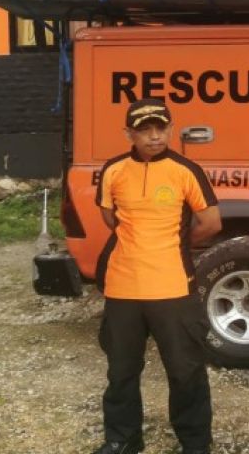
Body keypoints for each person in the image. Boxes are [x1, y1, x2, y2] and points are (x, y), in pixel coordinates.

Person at [92, 98, 223, 454]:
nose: (153, 136)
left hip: (172, 287)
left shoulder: (185, 170)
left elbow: (211, 222)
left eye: (160, 128)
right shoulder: (114, 170)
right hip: (123, 288)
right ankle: (122, 438)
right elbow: (110, 218)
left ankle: (195, 443)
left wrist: (177, 244)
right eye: (144, 130)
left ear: (170, 129)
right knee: (121, 371)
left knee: (185, 371)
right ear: (128, 134)